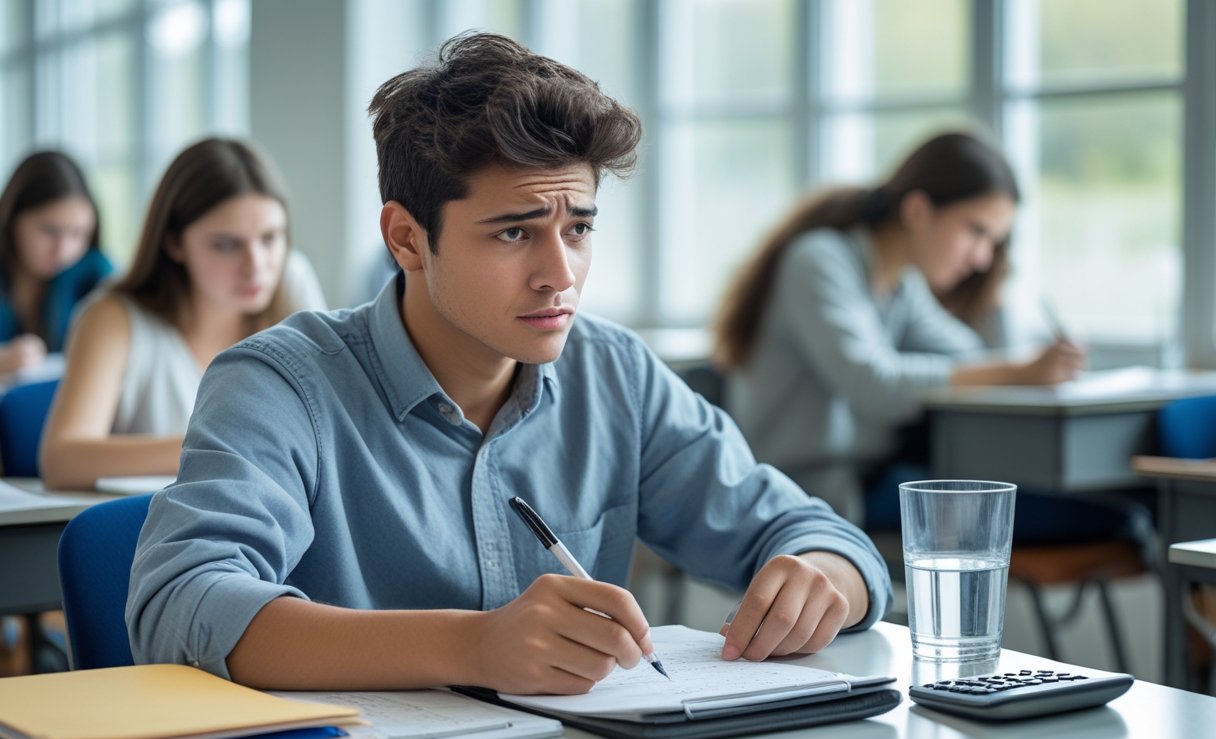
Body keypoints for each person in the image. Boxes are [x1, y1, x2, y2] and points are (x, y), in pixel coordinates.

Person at [126, 33, 892, 695]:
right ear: (406, 239)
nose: (559, 273)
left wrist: (823, 575)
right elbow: (182, 602)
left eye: (579, 228)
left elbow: (812, 533)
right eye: (514, 234)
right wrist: (473, 646)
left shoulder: (616, 374)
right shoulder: (279, 383)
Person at [713, 131, 1148, 547]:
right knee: (1120, 516)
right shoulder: (819, 261)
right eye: (976, 232)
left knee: (1117, 509)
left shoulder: (902, 285)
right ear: (918, 210)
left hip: (875, 477)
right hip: (815, 490)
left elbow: (972, 357)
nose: (981, 257)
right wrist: (1020, 371)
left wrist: (996, 286)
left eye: (994, 243)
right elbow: (873, 383)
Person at [39, 137, 325, 491]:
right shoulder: (113, 317)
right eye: (227, 244)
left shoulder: (291, 279)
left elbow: (328, 426)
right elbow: (62, 460)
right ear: (174, 243)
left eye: (270, 238)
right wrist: (218, 445)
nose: (257, 266)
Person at [0, 150, 115, 374]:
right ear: (12, 218)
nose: (62, 250)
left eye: (77, 233)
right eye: (49, 230)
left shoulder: (97, 275)